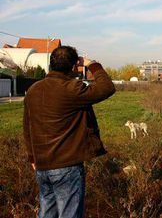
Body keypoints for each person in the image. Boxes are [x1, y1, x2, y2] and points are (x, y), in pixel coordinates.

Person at [23, 46, 116, 218]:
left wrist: (32, 157)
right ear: (74, 66)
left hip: (42, 165)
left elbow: (27, 127)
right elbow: (107, 88)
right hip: (66, 166)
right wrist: (92, 64)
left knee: (46, 213)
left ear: (52, 63)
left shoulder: (34, 90)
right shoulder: (72, 89)